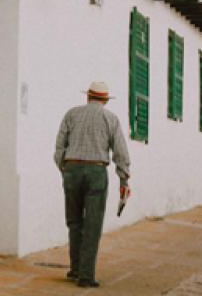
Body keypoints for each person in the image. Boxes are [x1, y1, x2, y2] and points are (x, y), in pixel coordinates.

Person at [54, 81, 131, 288]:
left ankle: (75, 269)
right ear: (105, 99)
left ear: (88, 96)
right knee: (92, 225)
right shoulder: (110, 118)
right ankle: (86, 276)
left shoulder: (71, 114)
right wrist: (124, 179)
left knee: (74, 222)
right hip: (97, 171)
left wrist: (66, 169)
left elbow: (59, 147)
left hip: (72, 169)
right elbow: (120, 152)